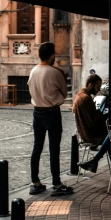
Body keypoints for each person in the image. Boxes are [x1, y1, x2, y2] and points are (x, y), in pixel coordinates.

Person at [28, 42, 73, 196]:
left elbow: (30, 89)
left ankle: (35, 181)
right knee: (54, 148)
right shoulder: (55, 72)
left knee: (37, 147)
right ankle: (56, 183)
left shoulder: (33, 71)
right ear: (52, 55)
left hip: (37, 112)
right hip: (52, 112)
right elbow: (64, 94)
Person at [73, 74, 111, 177]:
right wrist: (103, 117)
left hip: (85, 132)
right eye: (97, 86)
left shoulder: (80, 96)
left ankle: (95, 161)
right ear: (90, 85)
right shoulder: (85, 99)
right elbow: (94, 122)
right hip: (90, 135)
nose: (98, 90)